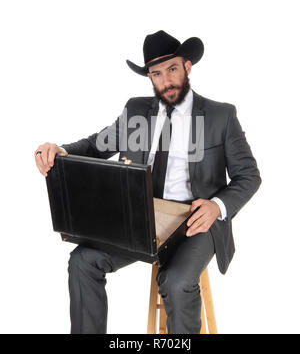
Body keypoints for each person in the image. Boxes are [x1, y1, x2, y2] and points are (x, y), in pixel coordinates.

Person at [34, 30, 262, 334]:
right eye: (156, 73)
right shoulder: (136, 111)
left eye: (172, 69)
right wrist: (59, 150)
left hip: (196, 220)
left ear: (187, 67)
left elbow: (249, 174)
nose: (166, 80)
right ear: (150, 78)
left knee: (177, 282)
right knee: (82, 261)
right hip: (142, 219)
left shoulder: (221, 116)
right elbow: (96, 145)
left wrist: (216, 206)